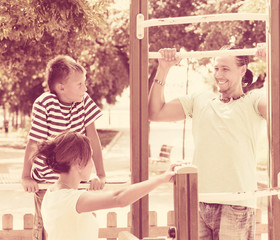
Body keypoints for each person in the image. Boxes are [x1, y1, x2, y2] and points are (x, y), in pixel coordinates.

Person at [148, 43, 267, 240]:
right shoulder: (200, 99)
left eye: (226, 69)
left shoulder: (253, 101)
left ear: (242, 70)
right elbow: (155, 112)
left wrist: (272, 63)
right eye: (216, 68)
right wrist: (163, 68)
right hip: (199, 201)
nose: (219, 74)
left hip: (236, 202)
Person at [21, 55, 106, 240]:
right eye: (80, 84)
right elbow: (34, 142)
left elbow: (93, 138)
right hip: (47, 182)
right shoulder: (45, 104)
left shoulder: (84, 101)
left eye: (85, 83)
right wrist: (26, 176)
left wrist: (99, 174)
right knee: (47, 227)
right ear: (61, 87)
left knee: (82, 222)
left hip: (75, 180)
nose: (85, 88)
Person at [35, 131, 178, 240]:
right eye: (90, 157)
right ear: (78, 163)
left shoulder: (51, 193)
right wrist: (162, 178)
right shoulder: (73, 200)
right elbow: (119, 198)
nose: (92, 164)